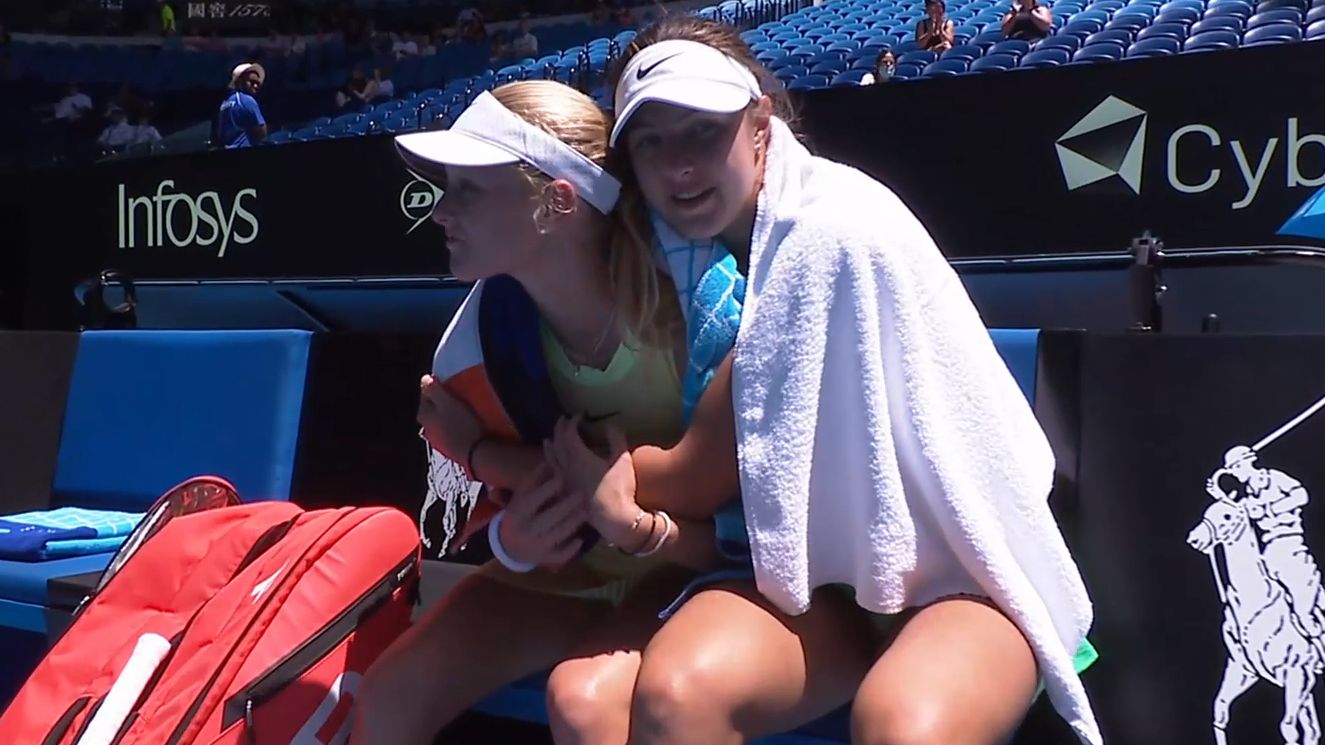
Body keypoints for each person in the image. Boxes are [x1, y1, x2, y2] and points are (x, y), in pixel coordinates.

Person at [542, 16, 1103, 745]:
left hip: (964, 579)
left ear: (758, 125)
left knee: (903, 731)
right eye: (650, 141)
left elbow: (693, 477)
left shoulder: (821, 240)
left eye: (701, 132)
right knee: (668, 697)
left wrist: (575, 468)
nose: (678, 164)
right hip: (819, 590)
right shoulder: (709, 255)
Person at [346, 80, 725, 745]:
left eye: (467, 187)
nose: (440, 211)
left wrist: (482, 455)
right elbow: (516, 510)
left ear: (557, 202)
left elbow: (735, 504)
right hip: (569, 576)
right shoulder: (479, 339)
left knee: (584, 702)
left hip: (701, 572)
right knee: (387, 695)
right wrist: (512, 545)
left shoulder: (698, 307)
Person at [216, 62, 266, 149]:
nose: (255, 86)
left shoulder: (225, 102)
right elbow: (262, 132)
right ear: (239, 81)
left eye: (258, 83)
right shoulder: (247, 100)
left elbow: (220, 134)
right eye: (252, 82)